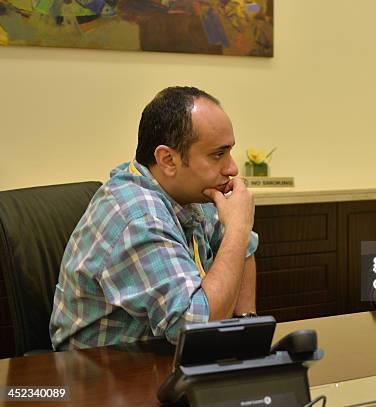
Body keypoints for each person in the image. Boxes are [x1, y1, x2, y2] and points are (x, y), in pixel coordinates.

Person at [50, 86, 258, 350]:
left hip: (163, 359)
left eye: (229, 151)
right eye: (218, 154)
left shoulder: (192, 192)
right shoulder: (137, 215)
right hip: (99, 373)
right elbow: (195, 326)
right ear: (168, 159)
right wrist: (238, 229)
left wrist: (245, 326)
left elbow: (244, 249)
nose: (232, 168)